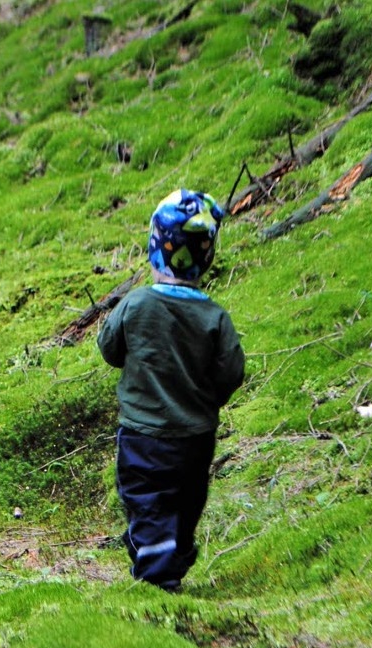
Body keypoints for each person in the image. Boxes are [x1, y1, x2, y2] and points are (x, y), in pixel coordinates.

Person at [97, 188, 245, 593]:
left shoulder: (136, 304)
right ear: (207, 258)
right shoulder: (214, 316)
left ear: (154, 249)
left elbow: (109, 348)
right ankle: (169, 552)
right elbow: (232, 371)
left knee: (146, 500)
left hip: (143, 435)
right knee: (186, 501)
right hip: (196, 438)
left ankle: (159, 575)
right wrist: (207, 400)